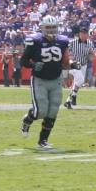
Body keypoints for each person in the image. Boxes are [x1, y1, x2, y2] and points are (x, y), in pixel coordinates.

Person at [20, 15, 72, 150]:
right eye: (48, 27)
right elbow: (23, 61)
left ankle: (43, 141)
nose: (51, 30)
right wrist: (33, 65)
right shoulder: (35, 41)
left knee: (53, 112)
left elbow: (65, 63)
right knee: (40, 112)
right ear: (42, 28)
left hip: (56, 80)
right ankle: (28, 119)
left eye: (53, 27)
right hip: (39, 80)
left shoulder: (63, 41)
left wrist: (74, 65)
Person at [64, 26, 94, 109]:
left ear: (87, 35)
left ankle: (68, 101)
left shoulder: (90, 43)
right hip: (73, 64)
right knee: (80, 80)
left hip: (83, 65)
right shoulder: (73, 42)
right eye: (82, 33)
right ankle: (73, 96)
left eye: (85, 33)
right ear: (79, 34)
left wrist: (91, 54)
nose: (84, 35)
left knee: (78, 83)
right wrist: (70, 58)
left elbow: (92, 58)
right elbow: (66, 51)